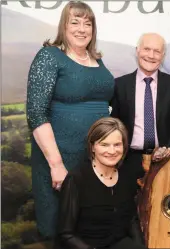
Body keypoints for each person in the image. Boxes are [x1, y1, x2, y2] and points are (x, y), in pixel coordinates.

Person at [26, 1, 114, 238]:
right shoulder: (49, 56)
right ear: (63, 26)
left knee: (88, 229)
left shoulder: (98, 60)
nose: (82, 28)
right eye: (74, 22)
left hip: (93, 162)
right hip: (60, 159)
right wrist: (56, 165)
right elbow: (36, 112)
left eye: (88, 23)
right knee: (61, 228)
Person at [56, 117, 145, 249]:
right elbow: (66, 234)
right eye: (104, 144)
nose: (112, 151)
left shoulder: (127, 175)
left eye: (117, 145)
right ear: (92, 147)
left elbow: (132, 219)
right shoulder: (76, 179)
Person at [110, 33, 170, 182]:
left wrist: (169, 150)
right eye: (146, 49)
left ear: (162, 55)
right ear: (137, 51)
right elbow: (113, 124)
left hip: (164, 161)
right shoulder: (119, 85)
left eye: (157, 51)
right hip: (127, 160)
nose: (151, 55)